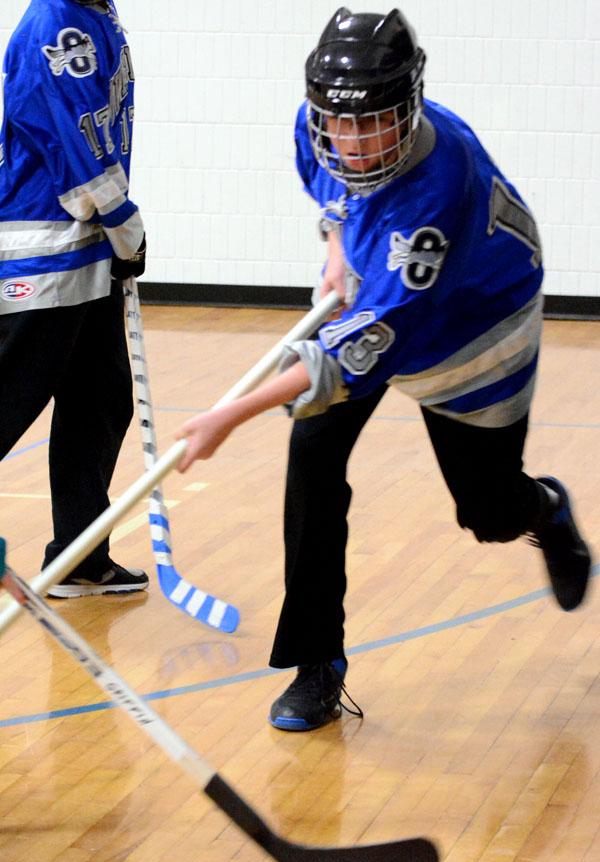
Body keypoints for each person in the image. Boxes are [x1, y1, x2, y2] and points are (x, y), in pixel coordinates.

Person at [176, 7, 592, 730]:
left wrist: (225, 417)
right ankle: (317, 663)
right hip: (383, 294)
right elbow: (337, 199)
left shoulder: (438, 196)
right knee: (311, 458)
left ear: (411, 103)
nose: (356, 140)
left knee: (487, 513)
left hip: (475, 325)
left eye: (374, 122)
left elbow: (342, 360)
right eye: (341, 122)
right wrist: (337, 250)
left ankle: (546, 512)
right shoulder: (322, 130)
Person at [0, 0, 149, 598]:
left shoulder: (97, 12)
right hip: (45, 250)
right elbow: (76, 149)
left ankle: (79, 558)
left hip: (86, 250)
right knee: (10, 397)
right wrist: (125, 223)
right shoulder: (54, 25)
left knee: (100, 399)